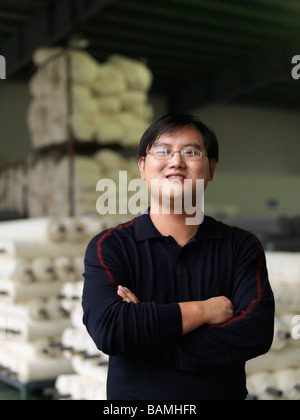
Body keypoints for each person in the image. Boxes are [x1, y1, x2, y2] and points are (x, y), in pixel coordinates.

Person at [82, 112, 275, 400]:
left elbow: (255, 332)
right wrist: (206, 310)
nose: (176, 161)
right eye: (163, 150)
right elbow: (111, 328)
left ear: (211, 168)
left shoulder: (241, 246)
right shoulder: (111, 246)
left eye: (191, 151)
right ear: (143, 168)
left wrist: (149, 333)